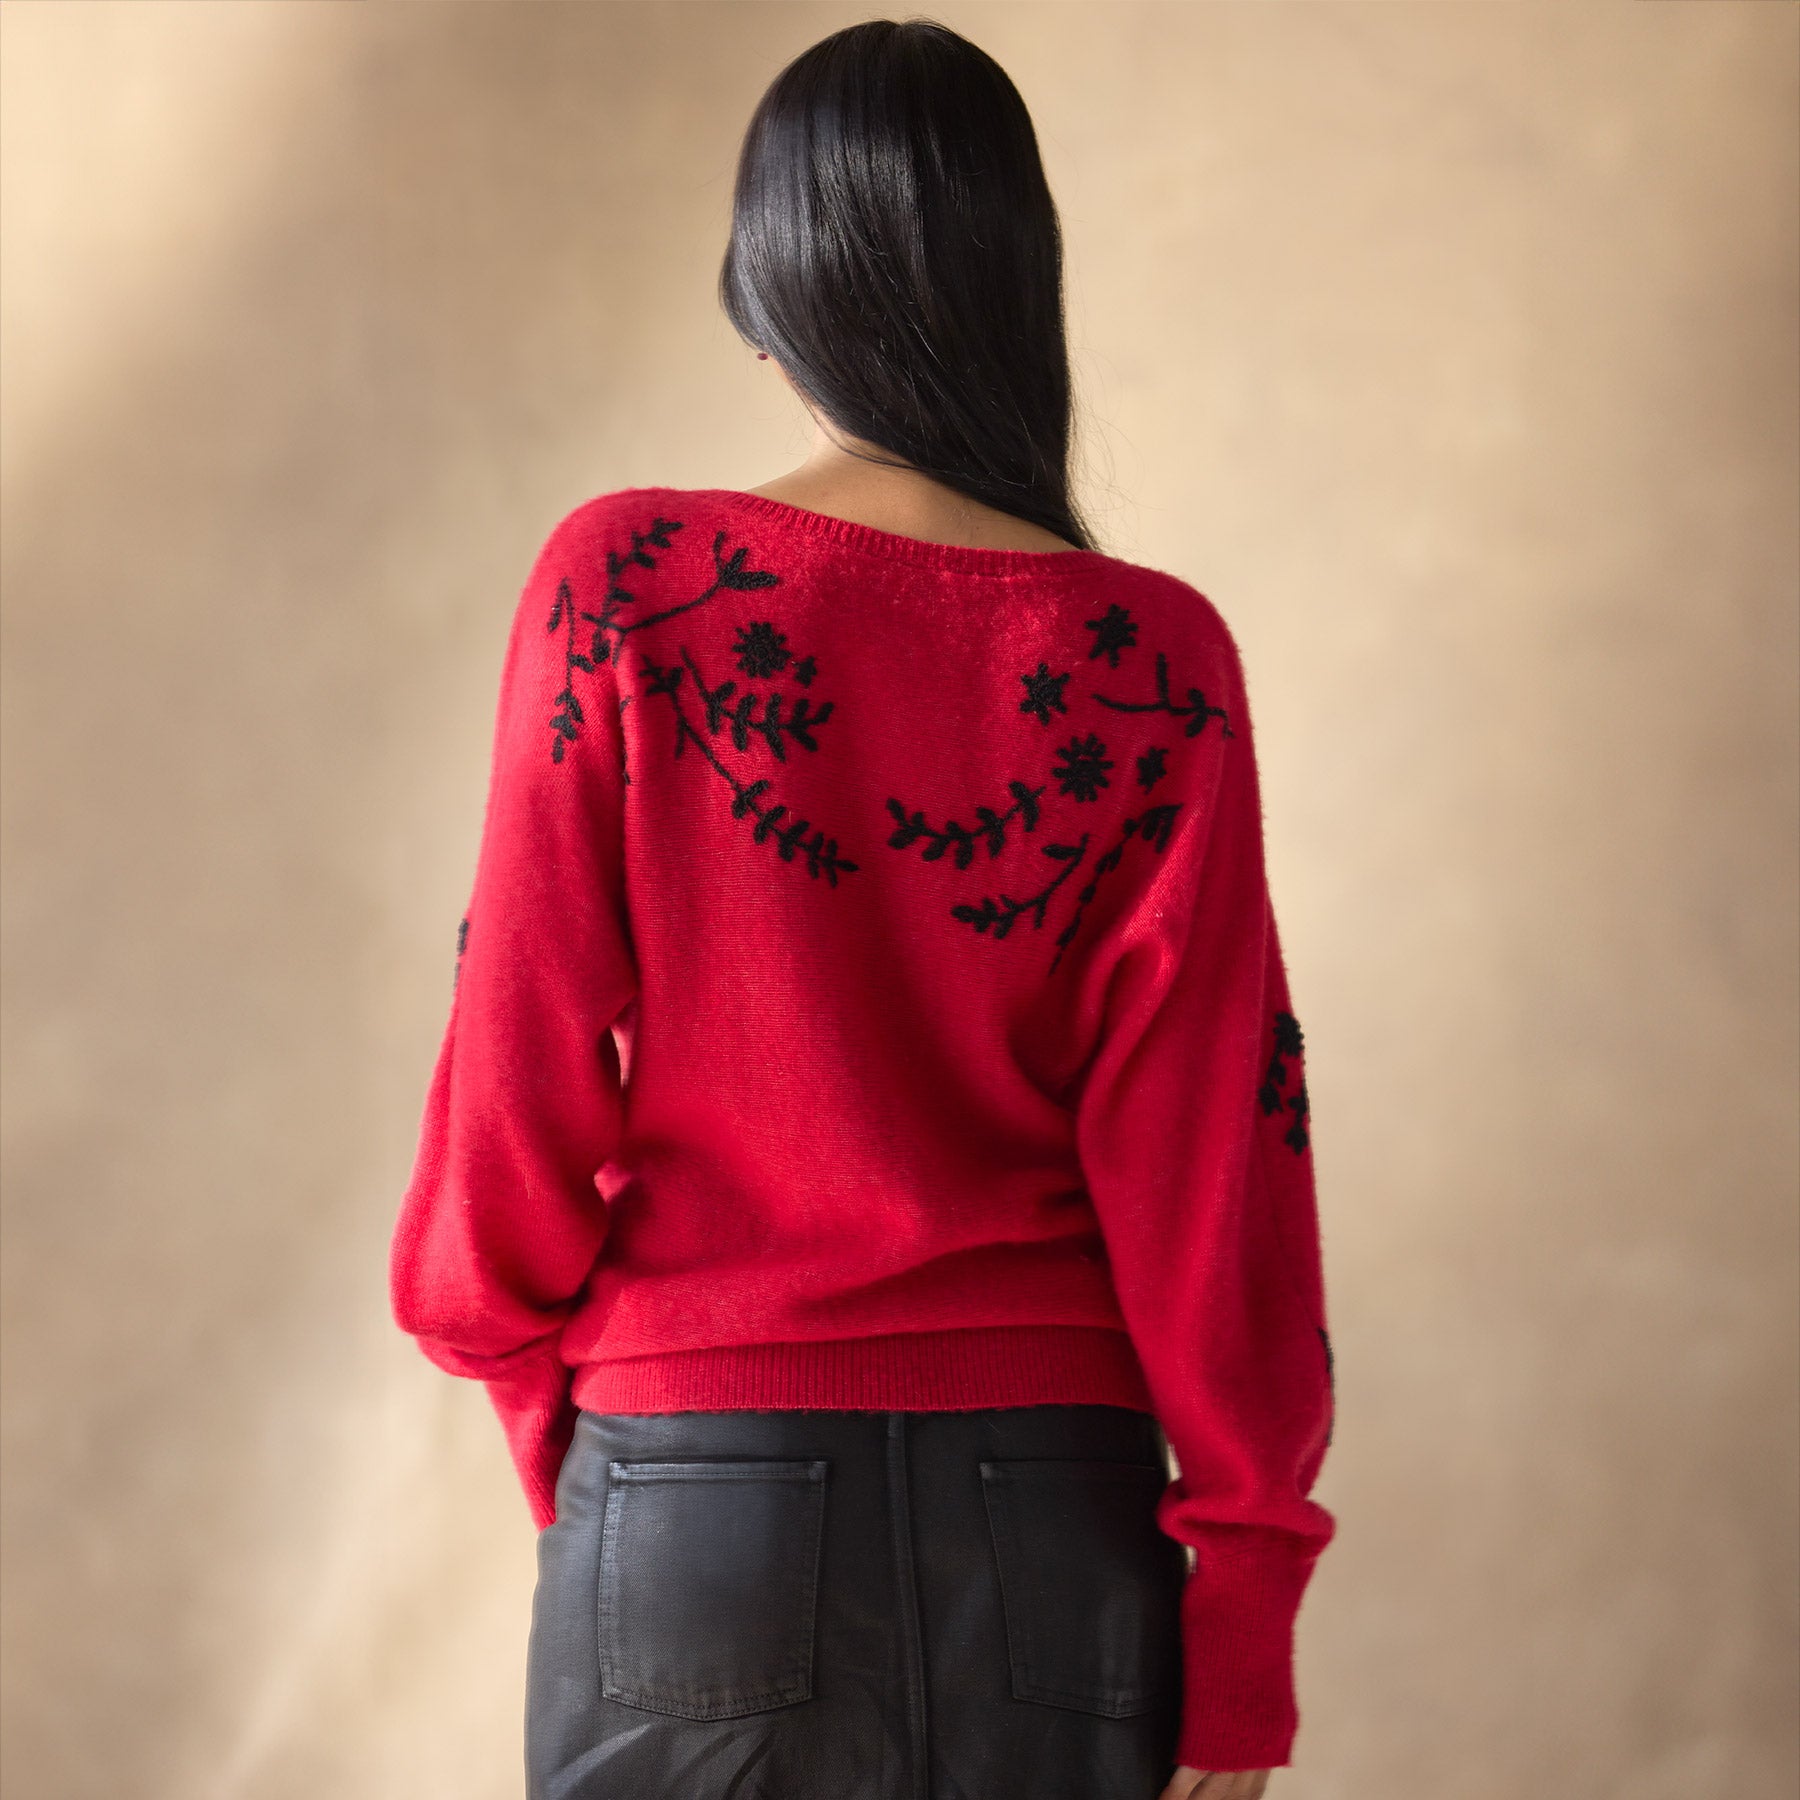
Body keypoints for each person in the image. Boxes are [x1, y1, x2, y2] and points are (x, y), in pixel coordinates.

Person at [387, 17, 1336, 1800]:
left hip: (696, 1485)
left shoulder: (632, 588)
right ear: (1020, 288)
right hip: (1061, 1513)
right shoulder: (1153, 662)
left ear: (765, 294)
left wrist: (546, 1398)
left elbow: (519, 1044)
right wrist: (1247, 1592)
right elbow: (1218, 1154)